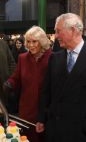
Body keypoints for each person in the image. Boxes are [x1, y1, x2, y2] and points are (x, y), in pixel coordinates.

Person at [36, 13, 86, 142]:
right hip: (55, 130)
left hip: (79, 131)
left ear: (73, 30)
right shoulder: (55, 58)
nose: (56, 36)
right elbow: (46, 92)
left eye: (58, 31)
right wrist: (42, 118)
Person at [4, 26, 52, 142]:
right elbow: (16, 77)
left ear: (42, 41)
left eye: (34, 41)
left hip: (46, 109)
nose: (31, 45)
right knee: (27, 138)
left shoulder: (52, 58)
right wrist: (10, 83)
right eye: (28, 42)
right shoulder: (23, 58)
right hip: (27, 109)